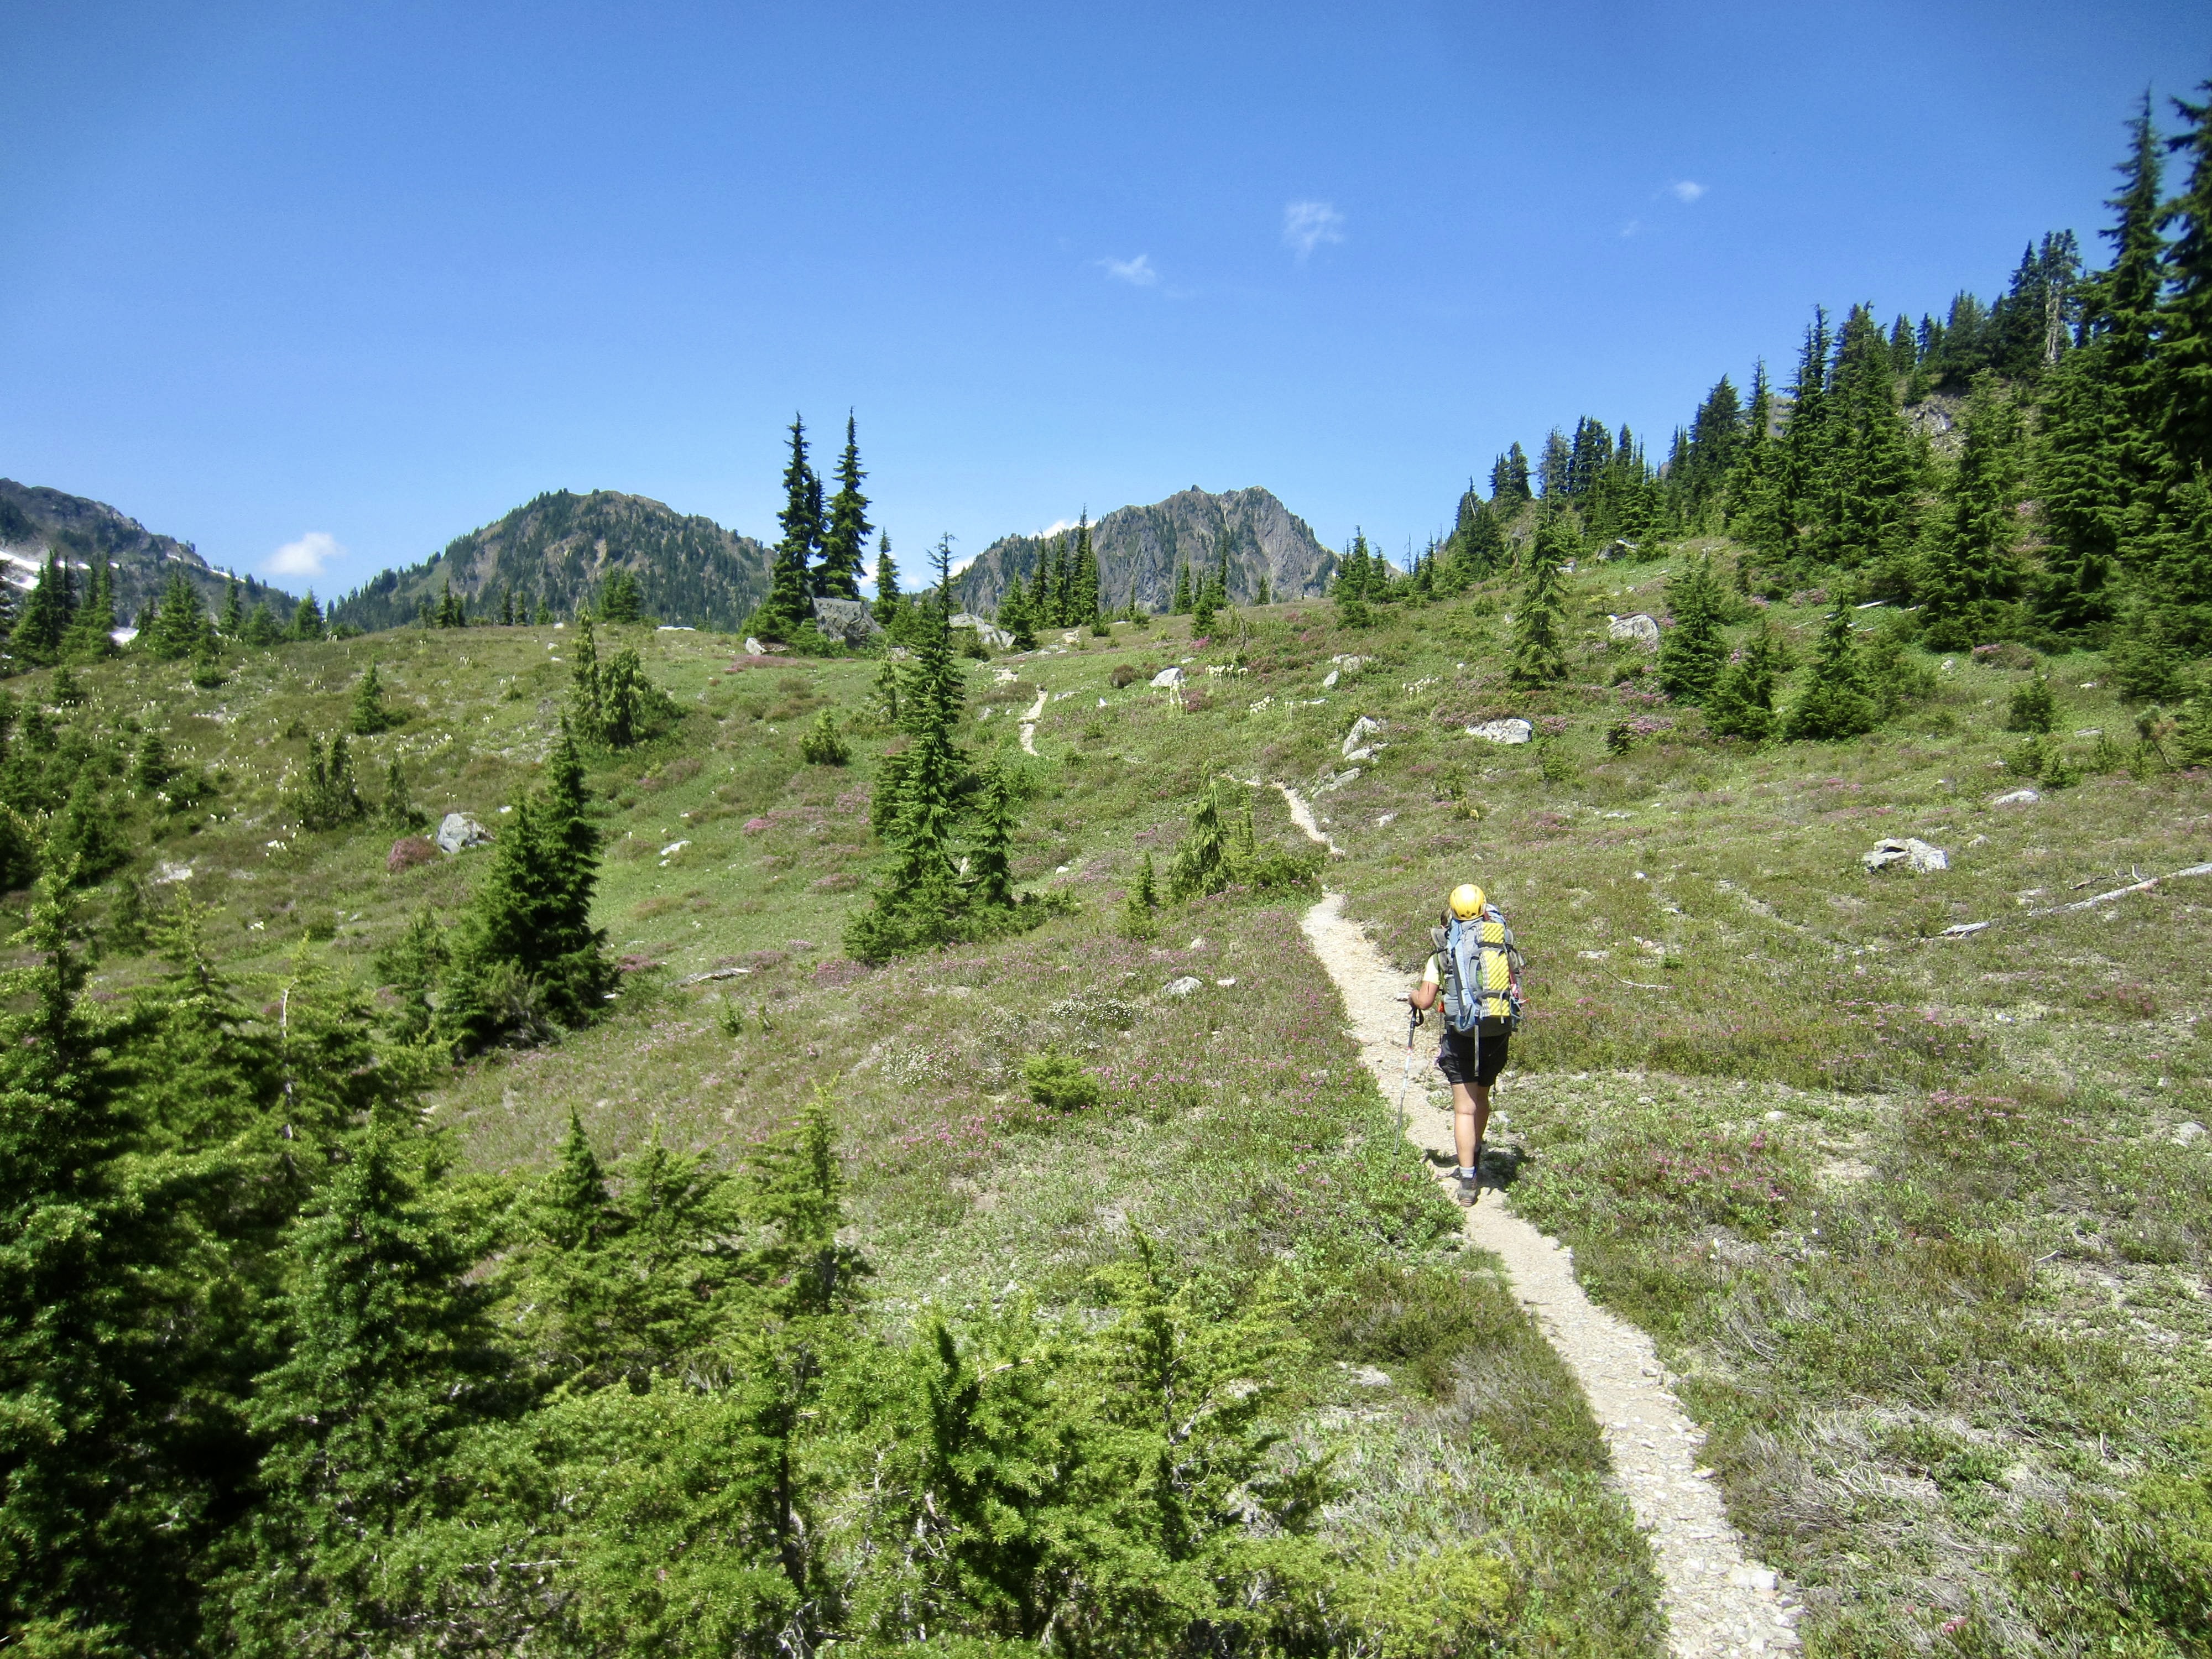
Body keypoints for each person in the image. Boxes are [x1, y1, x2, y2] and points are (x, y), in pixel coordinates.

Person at [1408, 881, 1524, 1206]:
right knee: (1482, 1098)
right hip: (1495, 1029)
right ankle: (1476, 1149)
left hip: (1460, 1033)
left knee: (1464, 1107)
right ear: (1485, 908)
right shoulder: (1500, 943)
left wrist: (1412, 998)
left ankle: (1468, 1179)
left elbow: (1426, 1001)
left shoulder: (1443, 952)